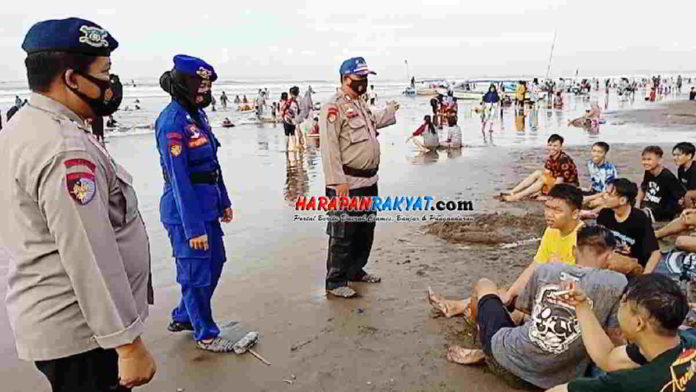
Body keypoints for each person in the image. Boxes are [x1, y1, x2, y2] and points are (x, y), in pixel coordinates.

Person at [0, 17, 156, 391]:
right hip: (83, 335)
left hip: (58, 321)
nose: (110, 85)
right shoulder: (65, 149)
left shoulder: (24, 127)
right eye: (105, 73)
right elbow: (88, 252)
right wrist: (127, 342)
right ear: (71, 79)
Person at [429, 225, 627, 390]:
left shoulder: (548, 269)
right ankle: (482, 343)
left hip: (507, 359)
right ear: (610, 256)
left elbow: (526, 312)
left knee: (485, 285)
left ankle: (481, 346)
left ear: (574, 251)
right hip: (551, 381)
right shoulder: (617, 283)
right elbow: (615, 339)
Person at [156, 55, 237, 352]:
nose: (205, 91)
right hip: (184, 213)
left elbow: (211, 164)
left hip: (208, 205)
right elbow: (178, 178)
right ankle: (205, 333)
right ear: (185, 84)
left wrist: (223, 200)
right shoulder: (172, 122)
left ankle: (183, 314)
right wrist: (193, 228)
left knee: (216, 262)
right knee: (196, 273)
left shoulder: (196, 116)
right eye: (200, 84)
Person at [319, 56, 399, 298]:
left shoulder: (361, 104)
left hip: (368, 181)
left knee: (365, 229)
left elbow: (374, 122)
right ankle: (335, 281)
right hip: (347, 183)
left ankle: (355, 270)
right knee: (343, 233)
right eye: (359, 78)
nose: (363, 83)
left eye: (365, 78)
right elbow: (329, 148)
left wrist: (391, 110)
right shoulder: (333, 108)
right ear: (345, 79)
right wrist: (337, 182)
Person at [546, 274, 695, 392]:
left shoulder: (633, 383)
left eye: (623, 302)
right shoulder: (688, 339)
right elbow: (608, 358)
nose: (620, 306)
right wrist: (581, 305)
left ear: (638, 323)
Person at [596, 179, 660, 273]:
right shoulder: (604, 214)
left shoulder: (639, 219)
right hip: (608, 259)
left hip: (632, 264)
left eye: (609, 194)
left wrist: (645, 278)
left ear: (622, 200)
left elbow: (655, 252)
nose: (604, 197)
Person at [502, 134, 579, 202]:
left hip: (569, 188)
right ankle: (513, 191)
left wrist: (546, 194)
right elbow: (547, 174)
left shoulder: (563, 160)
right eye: (550, 145)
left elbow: (558, 183)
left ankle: (516, 197)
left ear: (561, 147)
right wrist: (540, 190)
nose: (552, 148)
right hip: (558, 184)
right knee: (538, 173)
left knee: (542, 179)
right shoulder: (551, 158)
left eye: (555, 146)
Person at [636, 145, 686, 223]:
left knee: (637, 216)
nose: (645, 162)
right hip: (649, 203)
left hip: (661, 209)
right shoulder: (649, 171)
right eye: (644, 159)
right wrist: (637, 204)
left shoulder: (667, 176)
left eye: (649, 159)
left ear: (659, 160)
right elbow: (643, 187)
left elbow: (681, 196)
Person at [582, 142, 619, 212]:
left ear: (605, 153)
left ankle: (592, 212)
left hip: (606, 194)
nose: (595, 154)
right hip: (594, 191)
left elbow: (608, 191)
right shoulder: (590, 163)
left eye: (599, 152)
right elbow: (594, 179)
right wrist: (588, 190)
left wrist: (588, 198)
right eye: (594, 151)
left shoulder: (609, 170)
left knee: (591, 204)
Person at [673, 142, 696, 208]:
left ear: (689, 156)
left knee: (688, 195)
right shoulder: (681, 169)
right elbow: (682, 187)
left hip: (692, 193)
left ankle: (690, 214)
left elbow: (691, 190)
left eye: (678, 155)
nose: (675, 158)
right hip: (690, 193)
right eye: (674, 155)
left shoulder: (694, 169)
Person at [282, 86, 301, 151]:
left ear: (290, 93)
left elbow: (283, 109)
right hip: (293, 120)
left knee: (287, 134)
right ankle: (294, 146)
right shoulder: (297, 102)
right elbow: (299, 111)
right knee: (293, 133)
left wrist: (282, 116)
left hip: (287, 120)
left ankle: (286, 148)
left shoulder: (289, 101)